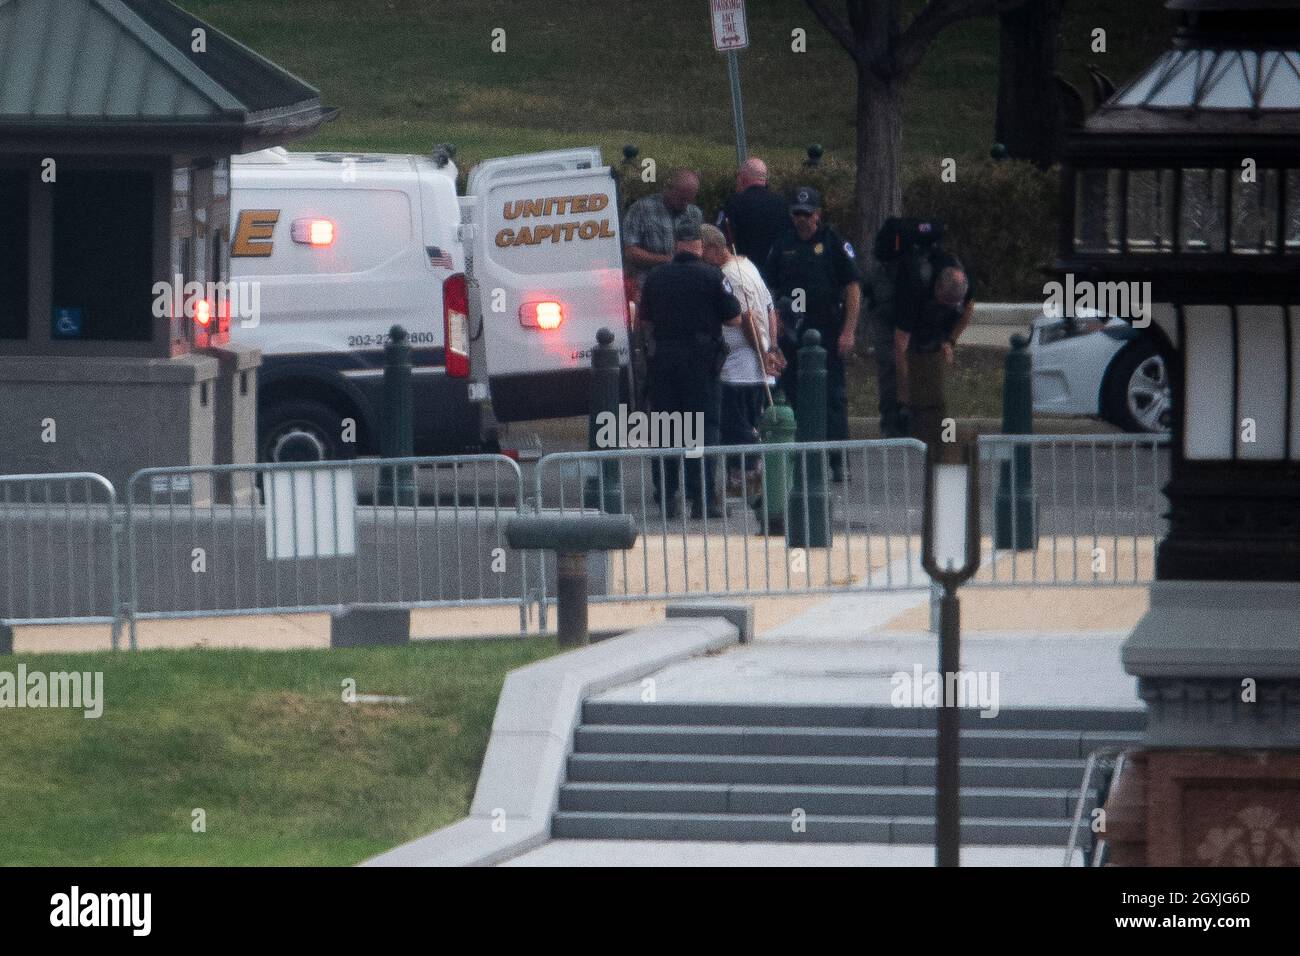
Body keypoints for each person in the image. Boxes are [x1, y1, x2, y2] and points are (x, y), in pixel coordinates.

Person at [638, 220, 743, 519]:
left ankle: (668, 497)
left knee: (666, 429)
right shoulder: (712, 276)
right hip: (700, 362)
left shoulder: (656, 277)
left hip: (664, 361)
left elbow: (644, 322)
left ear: (675, 244)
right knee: (703, 429)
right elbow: (734, 318)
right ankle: (704, 499)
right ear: (698, 244)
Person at [765, 186, 862, 481]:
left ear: (818, 214)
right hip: (794, 333)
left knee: (832, 398)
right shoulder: (782, 245)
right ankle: (800, 458)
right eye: (797, 214)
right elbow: (770, 289)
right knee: (793, 394)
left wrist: (848, 331)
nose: (802, 220)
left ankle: (836, 460)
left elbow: (853, 287)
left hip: (828, 331)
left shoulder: (833, 242)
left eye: (807, 214)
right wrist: (775, 326)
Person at [700, 224, 780, 498]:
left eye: (702, 251)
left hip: (739, 364)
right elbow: (770, 309)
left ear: (712, 248)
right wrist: (772, 346)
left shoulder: (728, 275)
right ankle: (739, 480)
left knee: (734, 425)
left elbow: (745, 317)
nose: (700, 258)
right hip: (755, 362)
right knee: (746, 420)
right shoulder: (748, 266)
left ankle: (752, 470)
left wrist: (761, 351)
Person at [623, 170, 704, 410]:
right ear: (669, 190)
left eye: (691, 198)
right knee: (648, 354)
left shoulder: (694, 214)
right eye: (681, 198)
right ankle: (647, 409)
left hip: (687, 298)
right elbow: (630, 251)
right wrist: (667, 261)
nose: (686, 204)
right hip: (650, 294)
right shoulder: (642, 210)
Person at [891, 223, 975, 451]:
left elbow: (968, 310)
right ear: (936, 287)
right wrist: (906, 388)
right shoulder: (912, 286)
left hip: (936, 328)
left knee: (937, 377)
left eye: (952, 305)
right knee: (911, 369)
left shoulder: (960, 279)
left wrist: (950, 341)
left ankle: (940, 434)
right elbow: (900, 344)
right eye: (944, 303)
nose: (948, 308)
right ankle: (911, 423)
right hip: (911, 319)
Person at [716, 158, 790, 286]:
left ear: (743, 178)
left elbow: (722, 239)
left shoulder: (733, 203)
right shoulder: (782, 204)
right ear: (765, 180)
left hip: (744, 276)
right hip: (776, 277)